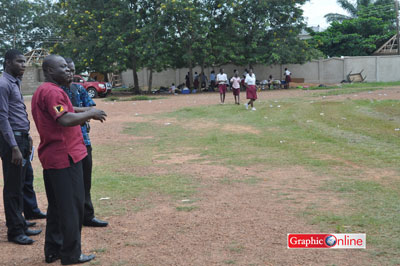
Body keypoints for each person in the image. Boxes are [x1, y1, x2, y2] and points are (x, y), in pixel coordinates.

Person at [31, 54, 107, 265]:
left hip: (55, 158)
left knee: (56, 207)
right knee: (72, 208)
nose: (68, 70)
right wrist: (90, 114)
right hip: (65, 158)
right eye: (62, 67)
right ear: (48, 71)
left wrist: (88, 110)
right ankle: (71, 254)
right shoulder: (53, 92)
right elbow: (65, 118)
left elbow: (69, 110)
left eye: (68, 66)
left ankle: (53, 250)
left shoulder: (46, 91)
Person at [0, 49, 42, 245]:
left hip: (21, 138)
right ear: (8, 62)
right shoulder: (2, 84)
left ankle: (21, 222)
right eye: (19, 61)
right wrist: (14, 146)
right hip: (12, 142)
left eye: (25, 62)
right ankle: (15, 231)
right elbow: (2, 118)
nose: (24, 65)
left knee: (23, 181)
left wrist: (27, 136)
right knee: (13, 187)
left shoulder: (14, 83)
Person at [63, 57, 109, 228]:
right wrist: (85, 114)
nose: (70, 73)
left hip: (84, 140)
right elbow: (64, 111)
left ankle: (87, 215)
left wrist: (84, 114)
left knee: (85, 181)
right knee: (69, 184)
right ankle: (72, 218)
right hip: (66, 143)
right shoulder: (56, 91)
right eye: (67, 69)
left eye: (72, 69)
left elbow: (92, 107)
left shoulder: (78, 89)